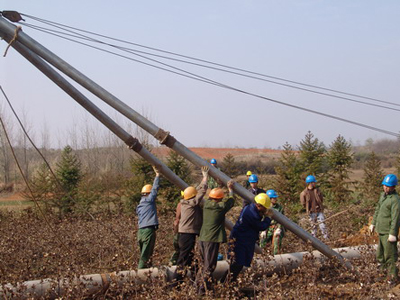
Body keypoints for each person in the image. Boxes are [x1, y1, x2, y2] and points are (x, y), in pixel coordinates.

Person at [197, 180, 235, 294]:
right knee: (210, 266)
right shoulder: (220, 207)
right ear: (219, 199)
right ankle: (202, 290)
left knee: (203, 265)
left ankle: (201, 286)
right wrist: (231, 190)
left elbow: (214, 198)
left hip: (202, 238)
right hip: (212, 239)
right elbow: (231, 202)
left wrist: (219, 187)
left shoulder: (206, 204)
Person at [224, 193, 272, 282]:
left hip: (242, 239)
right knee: (237, 263)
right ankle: (226, 283)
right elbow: (261, 226)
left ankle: (228, 283)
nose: (265, 209)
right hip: (241, 240)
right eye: (264, 207)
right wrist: (268, 218)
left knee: (238, 263)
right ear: (258, 205)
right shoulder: (251, 214)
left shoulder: (250, 208)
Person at [174, 166, 209, 283]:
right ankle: (176, 282)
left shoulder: (185, 202)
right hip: (187, 235)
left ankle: (195, 280)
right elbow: (201, 192)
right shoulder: (192, 203)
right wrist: (205, 177)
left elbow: (197, 191)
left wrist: (203, 180)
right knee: (183, 260)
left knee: (192, 259)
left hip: (185, 235)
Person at [370, 174, 400, 283]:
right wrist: (373, 224)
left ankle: (393, 277)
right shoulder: (383, 196)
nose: (385, 187)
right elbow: (377, 210)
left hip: (388, 233)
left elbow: (395, 218)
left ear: (393, 187)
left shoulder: (395, 200)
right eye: (384, 185)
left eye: (388, 186)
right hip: (381, 230)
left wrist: (393, 233)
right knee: (380, 255)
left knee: (390, 256)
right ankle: (383, 274)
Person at [136, 166, 160, 269]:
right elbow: (154, 190)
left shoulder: (140, 205)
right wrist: (158, 176)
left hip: (140, 232)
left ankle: (149, 271)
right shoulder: (149, 200)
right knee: (145, 256)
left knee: (146, 254)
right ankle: (139, 275)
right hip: (147, 231)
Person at [300, 175, 328, 239]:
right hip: (311, 212)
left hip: (319, 211)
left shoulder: (317, 191)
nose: (315, 183)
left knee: (322, 226)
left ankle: (326, 239)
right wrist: (308, 209)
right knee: (313, 228)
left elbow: (321, 199)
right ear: (310, 183)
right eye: (313, 182)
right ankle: (313, 241)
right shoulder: (304, 193)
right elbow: (303, 203)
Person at [260, 189, 285, 255]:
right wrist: (263, 230)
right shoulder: (265, 206)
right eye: (274, 198)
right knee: (263, 241)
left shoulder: (279, 208)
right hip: (267, 227)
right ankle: (262, 257)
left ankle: (276, 258)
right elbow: (262, 218)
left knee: (276, 242)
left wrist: (279, 228)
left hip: (276, 227)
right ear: (270, 199)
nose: (276, 199)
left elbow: (281, 219)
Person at [169, 193, 183, 266]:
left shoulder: (179, 204)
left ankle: (173, 262)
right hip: (181, 231)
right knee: (181, 250)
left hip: (178, 230)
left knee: (178, 250)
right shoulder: (183, 204)